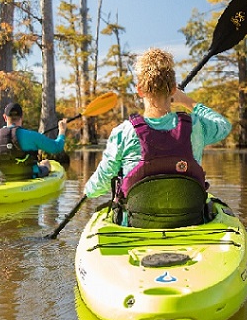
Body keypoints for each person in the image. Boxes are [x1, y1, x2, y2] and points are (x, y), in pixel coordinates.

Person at [84, 48, 231, 226]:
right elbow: (224, 126)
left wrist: (88, 190)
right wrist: (186, 101)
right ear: (174, 90)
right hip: (190, 220)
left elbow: (99, 185)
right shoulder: (196, 125)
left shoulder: (123, 132)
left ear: (139, 90)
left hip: (136, 224)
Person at [0, 102, 66, 181]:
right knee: (46, 162)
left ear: (5, 117)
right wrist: (62, 131)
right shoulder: (32, 135)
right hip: (29, 176)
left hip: (4, 178)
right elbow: (57, 147)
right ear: (22, 117)